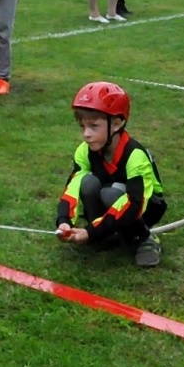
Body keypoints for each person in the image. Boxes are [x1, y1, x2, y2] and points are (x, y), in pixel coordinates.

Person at [54, 81, 167, 268]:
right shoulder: (85, 151)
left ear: (116, 124)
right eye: (82, 126)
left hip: (145, 206)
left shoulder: (135, 156)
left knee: (111, 193)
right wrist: (64, 220)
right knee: (87, 182)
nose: (86, 134)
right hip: (114, 197)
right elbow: (73, 188)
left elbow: (134, 203)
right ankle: (106, 233)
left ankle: (145, 239)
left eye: (93, 126)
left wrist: (90, 231)